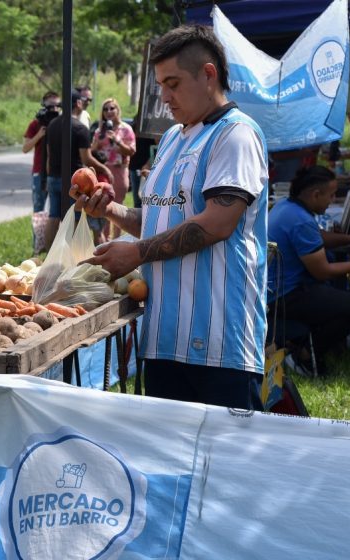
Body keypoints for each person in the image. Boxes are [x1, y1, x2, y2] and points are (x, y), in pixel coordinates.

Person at [71, 24, 269, 410]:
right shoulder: (175, 138)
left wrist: (138, 253)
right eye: (161, 84)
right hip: (164, 338)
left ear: (208, 74)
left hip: (218, 344)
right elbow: (161, 218)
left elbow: (217, 223)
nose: (164, 97)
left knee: (223, 464)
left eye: (174, 83)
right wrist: (108, 209)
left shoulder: (236, 135)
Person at [267, 166, 350, 376]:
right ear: (315, 194)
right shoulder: (300, 220)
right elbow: (323, 272)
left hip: (274, 290)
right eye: (331, 194)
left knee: (337, 293)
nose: (333, 199)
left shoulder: (287, 206)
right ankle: (304, 355)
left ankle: (315, 341)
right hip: (284, 296)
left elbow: (317, 237)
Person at [45, 89, 113, 247]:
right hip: (74, 181)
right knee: (75, 217)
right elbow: (86, 158)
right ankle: (72, 255)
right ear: (78, 103)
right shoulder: (80, 128)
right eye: (82, 100)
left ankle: (47, 254)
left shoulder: (52, 125)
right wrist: (105, 169)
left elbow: (49, 155)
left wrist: (48, 178)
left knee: (53, 216)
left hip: (53, 177)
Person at [90, 98, 136, 239]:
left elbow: (132, 151)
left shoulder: (126, 129)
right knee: (103, 204)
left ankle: (117, 239)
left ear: (117, 110)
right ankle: (104, 240)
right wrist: (96, 145)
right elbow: (91, 151)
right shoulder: (99, 131)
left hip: (120, 170)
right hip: (103, 171)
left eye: (112, 108)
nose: (109, 111)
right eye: (106, 109)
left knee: (117, 205)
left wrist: (118, 142)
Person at [22, 91, 61, 253]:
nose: (53, 109)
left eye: (56, 106)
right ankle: (37, 247)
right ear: (43, 105)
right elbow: (25, 148)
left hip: (55, 173)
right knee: (38, 209)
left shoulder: (61, 123)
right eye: (49, 105)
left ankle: (54, 247)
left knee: (56, 212)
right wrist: (40, 134)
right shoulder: (35, 124)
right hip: (39, 172)